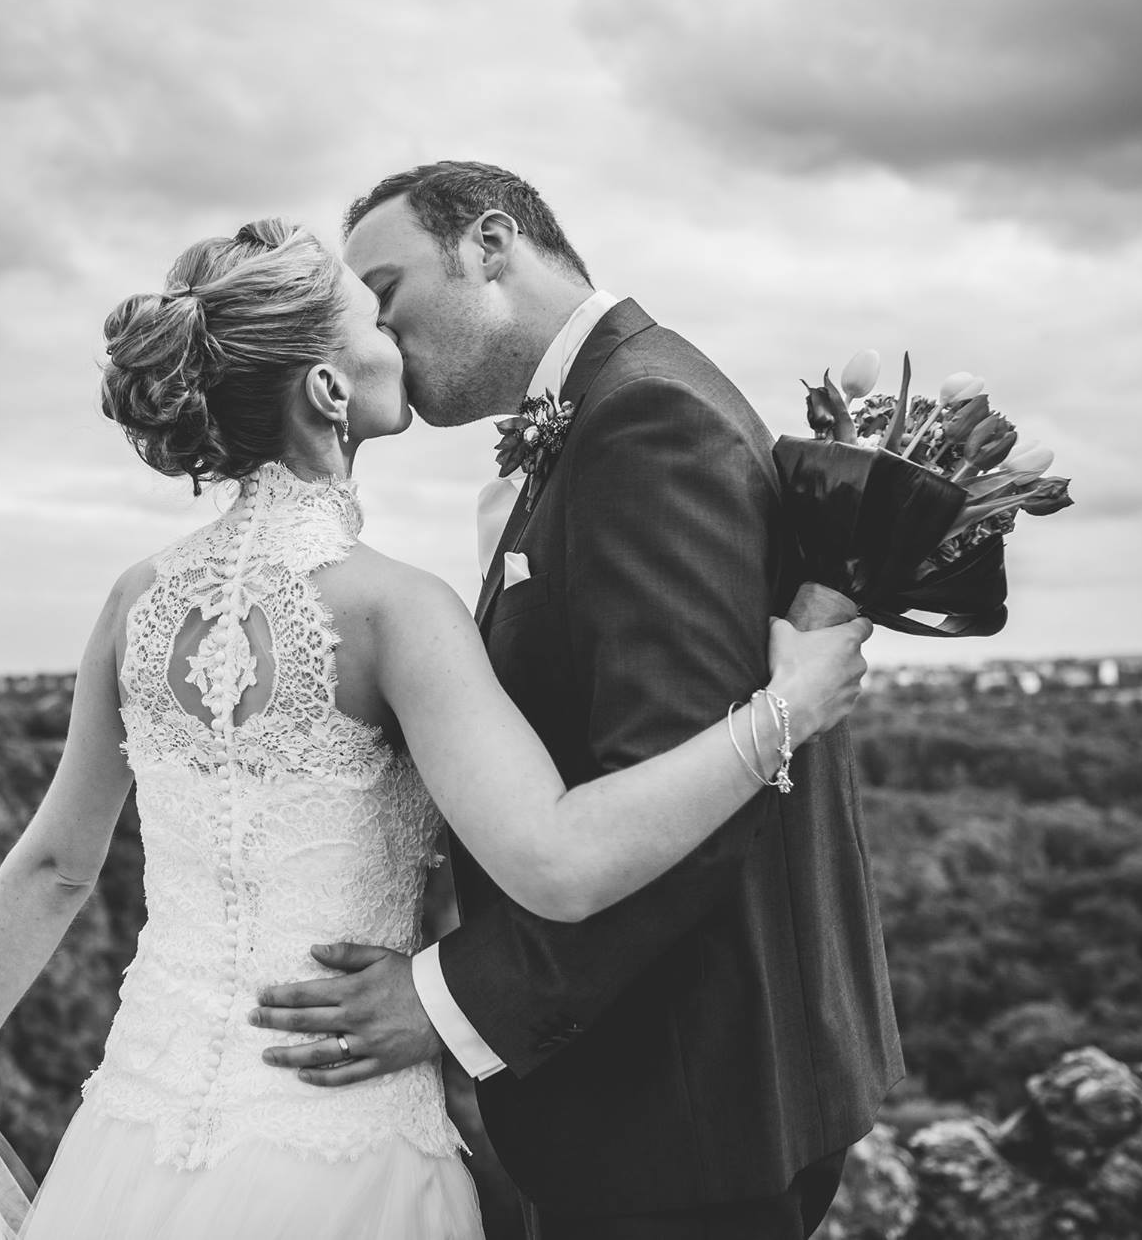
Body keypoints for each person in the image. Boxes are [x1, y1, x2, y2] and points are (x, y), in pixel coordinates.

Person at [0, 217, 873, 1240]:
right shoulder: (394, 612)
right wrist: (786, 710)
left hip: (136, 1129)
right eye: (369, 316)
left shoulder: (135, 603)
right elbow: (555, 862)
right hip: (336, 1137)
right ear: (328, 391)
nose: (391, 331)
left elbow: (53, 866)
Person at [253, 163, 907, 1240]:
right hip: (670, 1097)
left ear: (489, 244)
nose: (374, 333)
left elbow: (690, 799)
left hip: (687, 1107)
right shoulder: (610, 406)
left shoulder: (646, 418)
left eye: (386, 290)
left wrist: (448, 1001)